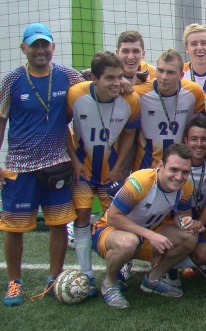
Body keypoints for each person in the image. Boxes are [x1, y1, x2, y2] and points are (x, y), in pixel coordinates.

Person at [0, 23, 84, 307]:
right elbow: (0, 125)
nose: (40, 50)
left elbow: (93, 82)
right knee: (14, 228)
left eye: (44, 45)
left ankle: (54, 277)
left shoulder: (66, 76)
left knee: (58, 224)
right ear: (23, 48)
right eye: (34, 45)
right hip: (20, 167)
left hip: (57, 163)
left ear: (53, 48)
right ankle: (15, 282)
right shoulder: (11, 81)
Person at [66, 51, 140, 297]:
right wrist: (75, 159)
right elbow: (60, 126)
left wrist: (120, 165)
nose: (116, 83)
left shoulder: (131, 100)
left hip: (112, 173)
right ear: (94, 79)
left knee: (117, 219)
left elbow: (130, 134)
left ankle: (118, 270)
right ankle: (86, 274)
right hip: (83, 172)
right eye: (109, 78)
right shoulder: (76, 95)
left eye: (119, 77)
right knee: (83, 215)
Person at [92, 143, 199, 309]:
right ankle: (109, 284)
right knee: (129, 242)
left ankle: (153, 280)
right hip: (109, 231)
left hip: (145, 233)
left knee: (190, 237)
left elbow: (184, 214)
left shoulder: (185, 186)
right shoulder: (141, 181)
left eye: (185, 171)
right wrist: (150, 235)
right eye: (174, 170)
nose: (179, 177)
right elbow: (113, 217)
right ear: (161, 165)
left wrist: (184, 221)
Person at [161, 117, 206, 286]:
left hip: (200, 216)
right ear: (185, 141)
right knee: (203, 253)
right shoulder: (173, 164)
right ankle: (166, 267)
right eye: (194, 139)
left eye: (204, 139)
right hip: (173, 218)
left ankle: (198, 263)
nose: (199, 144)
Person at [133, 49, 205, 171]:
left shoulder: (194, 92)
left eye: (170, 72)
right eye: (160, 71)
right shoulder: (138, 93)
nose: (164, 77)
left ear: (181, 76)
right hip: (146, 166)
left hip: (179, 168)